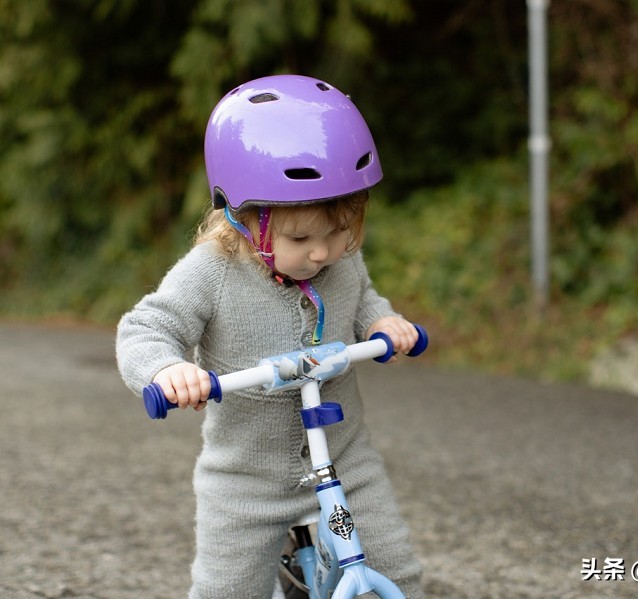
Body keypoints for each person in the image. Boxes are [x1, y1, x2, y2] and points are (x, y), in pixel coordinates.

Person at [116, 74, 424, 598]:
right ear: (242, 218)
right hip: (247, 482)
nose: (324, 252)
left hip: (345, 462)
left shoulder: (341, 262)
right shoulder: (212, 272)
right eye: (301, 237)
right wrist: (167, 368)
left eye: (340, 230)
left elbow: (366, 299)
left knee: (395, 569)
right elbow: (147, 327)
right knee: (227, 591)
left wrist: (382, 323)